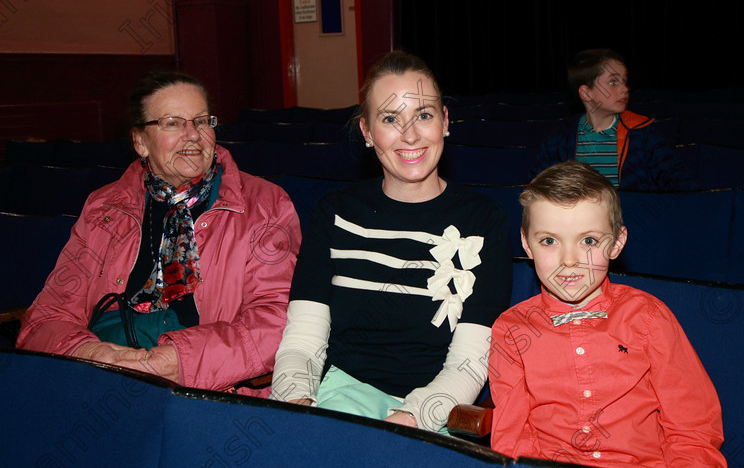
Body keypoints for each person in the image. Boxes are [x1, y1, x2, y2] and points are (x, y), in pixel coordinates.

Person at [17, 70, 301, 396]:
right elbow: (48, 314)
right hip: (101, 376)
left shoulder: (264, 205)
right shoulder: (105, 208)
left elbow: (277, 320)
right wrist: (91, 355)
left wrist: (179, 361)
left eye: (202, 121)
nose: (193, 135)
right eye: (172, 123)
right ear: (140, 142)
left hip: (205, 385)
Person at [269, 50, 512, 432]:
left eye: (424, 115)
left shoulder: (484, 220)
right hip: (339, 401)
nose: (410, 135)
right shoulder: (334, 212)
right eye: (390, 119)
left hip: (438, 411)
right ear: (367, 132)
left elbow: (469, 361)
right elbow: (302, 342)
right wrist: (297, 410)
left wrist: (411, 419)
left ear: (445, 122)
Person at [489, 161, 725, 466]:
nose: (569, 260)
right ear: (526, 244)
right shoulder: (511, 331)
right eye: (549, 241)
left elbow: (693, 431)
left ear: (616, 243)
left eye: (588, 241)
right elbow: (513, 439)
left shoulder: (649, 317)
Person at [532, 49, 694, 191]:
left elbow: (680, 184)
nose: (625, 88)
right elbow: (538, 188)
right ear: (586, 93)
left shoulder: (643, 133)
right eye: (613, 82)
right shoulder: (560, 136)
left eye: (624, 81)